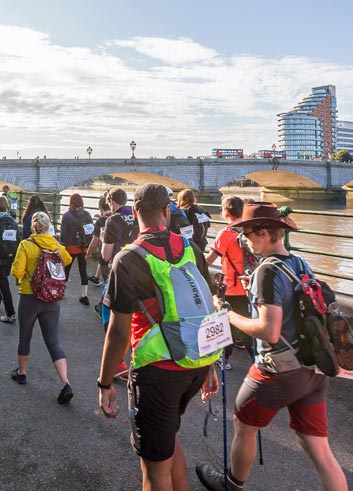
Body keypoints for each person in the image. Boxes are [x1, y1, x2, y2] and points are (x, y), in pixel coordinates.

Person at [195, 202, 348, 491]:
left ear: (264, 233)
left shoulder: (266, 271)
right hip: (312, 367)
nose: (244, 240)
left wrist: (227, 313)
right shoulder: (299, 263)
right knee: (317, 448)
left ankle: (231, 483)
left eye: (248, 234)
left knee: (243, 422)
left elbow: (269, 330)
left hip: (277, 371)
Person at [98, 183, 220, 491]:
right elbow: (206, 304)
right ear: (167, 211)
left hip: (156, 371)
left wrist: (104, 382)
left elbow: (118, 332)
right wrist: (211, 365)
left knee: (153, 469)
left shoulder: (128, 259)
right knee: (168, 436)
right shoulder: (191, 249)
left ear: (136, 212)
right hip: (196, 363)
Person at [10, 211, 74, 404]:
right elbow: (68, 259)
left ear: (32, 227)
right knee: (53, 342)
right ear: (48, 227)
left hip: (30, 296)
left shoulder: (26, 245)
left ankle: (21, 373)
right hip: (52, 299)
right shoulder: (55, 245)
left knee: (25, 336)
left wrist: (24, 277)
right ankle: (65, 383)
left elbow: (17, 271)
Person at [205, 195, 256, 370]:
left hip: (233, 286)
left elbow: (210, 260)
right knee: (243, 321)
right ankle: (247, 355)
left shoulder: (226, 233)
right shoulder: (250, 229)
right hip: (251, 284)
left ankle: (237, 359)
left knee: (229, 324)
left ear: (226, 212)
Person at [59, 193, 93, 305]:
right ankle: (84, 296)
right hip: (84, 247)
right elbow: (90, 231)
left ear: (71, 202)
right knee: (83, 270)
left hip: (71, 247)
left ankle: (62, 292)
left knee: (66, 269)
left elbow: (63, 234)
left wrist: (61, 248)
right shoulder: (87, 214)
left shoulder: (67, 216)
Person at [84, 196, 111, 285]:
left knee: (104, 260)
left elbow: (94, 243)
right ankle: (96, 277)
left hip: (107, 247)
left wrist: (88, 254)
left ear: (100, 207)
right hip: (120, 247)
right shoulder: (116, 216)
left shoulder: (100, 222)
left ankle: (100, 280)